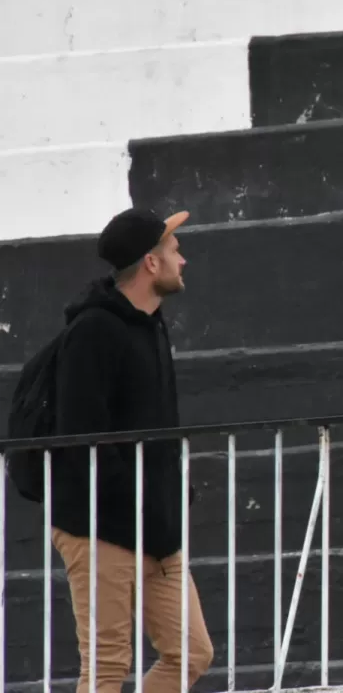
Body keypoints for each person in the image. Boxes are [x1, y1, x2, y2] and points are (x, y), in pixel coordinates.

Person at [50, 208, 213, 693]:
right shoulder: (94, 332)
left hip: (155, 530)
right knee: (106, 668)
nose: (182, 260)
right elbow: (80, 438)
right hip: (101, 527)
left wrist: (167, 500)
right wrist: (133, 504)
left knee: (190, 654)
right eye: (173, 250)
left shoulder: (151, 324)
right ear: (150, 263)